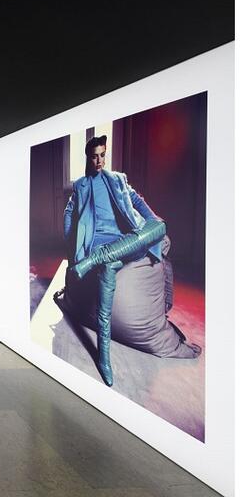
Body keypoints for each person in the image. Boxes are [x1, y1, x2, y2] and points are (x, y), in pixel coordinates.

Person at [61, 135, 199, 386]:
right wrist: (72, 254)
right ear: (88, 157)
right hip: (98, 242)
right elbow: (69, 213)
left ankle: (96, 261)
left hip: (126, 239)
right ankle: (104, 358)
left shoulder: (118, 179)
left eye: (103, 155)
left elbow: (137, 201)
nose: (99, 160)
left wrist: (152, 220)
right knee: (109, 267)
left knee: (160, 227)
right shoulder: (81, 186)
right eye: (94, 156)